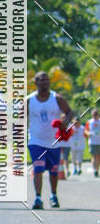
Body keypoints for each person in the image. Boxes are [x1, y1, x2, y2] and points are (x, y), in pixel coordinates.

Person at [27, 71, 74, 209]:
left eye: (47, 80)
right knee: (38, 168)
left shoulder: (57, 98)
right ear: (35, 82)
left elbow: (70, 112)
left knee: (54, 171)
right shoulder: (29, 100)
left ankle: (53, 195)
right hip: (36, 141)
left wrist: (65, 121)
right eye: (42, 80)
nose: (45, 82)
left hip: (54, 142)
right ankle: (38, 198)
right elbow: (19, 118)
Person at [84, 109, 100, 177]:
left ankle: (97, 169)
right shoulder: (89, 122)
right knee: (94, 156)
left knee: (98, 157)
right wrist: (88, 134)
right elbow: (86, 130)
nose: (94, 116)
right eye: (93, 115)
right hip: (92, 141)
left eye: (96, 114)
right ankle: (95, 170)